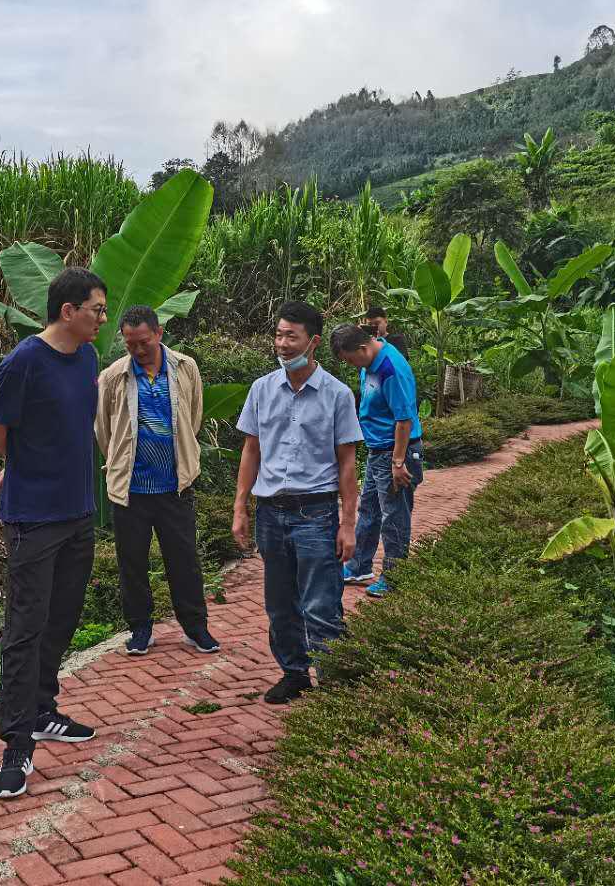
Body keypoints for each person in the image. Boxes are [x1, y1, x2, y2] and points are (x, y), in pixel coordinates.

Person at [0, 267, 107, 800]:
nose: (103, 317)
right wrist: (21, 466)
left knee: (62, 618)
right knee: (26, 628)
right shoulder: (23, 362)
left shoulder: (88, 359)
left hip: (78, 511)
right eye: (96, 309)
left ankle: (42, 711)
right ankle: (16, 745)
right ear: (67, 311)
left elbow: (72, 429)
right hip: (34, 518)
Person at [233, 300, 363, 705]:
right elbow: (251, 450)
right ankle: (294, 673)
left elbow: (347, 462)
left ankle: (335, 679)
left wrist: (347, 523)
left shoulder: (337, 395)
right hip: (272, 513)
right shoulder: (262, 389)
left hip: (316, 514)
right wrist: (240, 507)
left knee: (321, 603)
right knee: (280, 604)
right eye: (278, 334)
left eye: (292, 336)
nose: (282, 343)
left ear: (314, 342)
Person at [96, 306, 221, 657]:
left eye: (144, 343)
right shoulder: (113, 376)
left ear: (159, 333)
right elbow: (104, 430)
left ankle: (196, 627)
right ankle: (140, 628)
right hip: (131, 490)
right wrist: (120, 461)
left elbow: (192, 417)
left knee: (184, 559)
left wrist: (180, 454)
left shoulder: (185, 367)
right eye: (130, 344)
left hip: (175, 487)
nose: (137, 351)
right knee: (132, 563)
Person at [329, 323, 425, 598]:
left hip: (396, 453)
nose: (350, 365)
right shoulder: (369, 360)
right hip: (377, 450)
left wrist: (398, 463)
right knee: (369, 509)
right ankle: (359, 565)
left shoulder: (390, 369)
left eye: (350, 360)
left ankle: (395, 577)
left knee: (394, 516)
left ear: (362, 348)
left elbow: (404, 420)